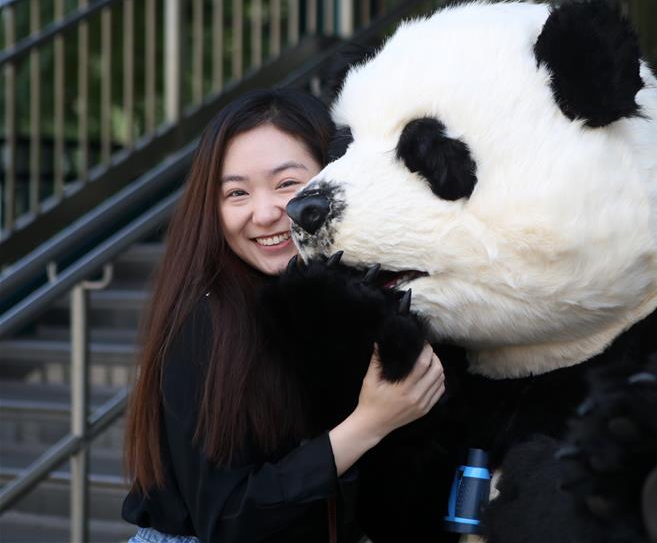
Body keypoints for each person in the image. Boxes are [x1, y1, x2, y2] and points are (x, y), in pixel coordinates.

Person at [122, 89, 445, 543]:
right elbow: (227, 518)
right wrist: (370, 423)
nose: (266, 212)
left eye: (288, 184)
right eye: (237, 193)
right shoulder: (205, 320)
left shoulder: (354, 299)